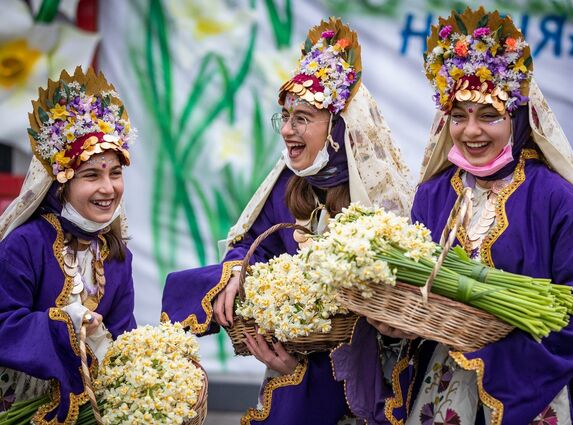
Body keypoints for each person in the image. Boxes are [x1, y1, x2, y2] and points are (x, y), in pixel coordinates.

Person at [369, 7, 573, 425]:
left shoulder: (556, 199)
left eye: (489, 115)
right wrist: (398, 327)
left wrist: (504, 357)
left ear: (518, 117)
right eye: (458, 116)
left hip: (530, 390)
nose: (471, 132)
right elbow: (415, 295)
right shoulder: (432, 196)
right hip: (441, 387)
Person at [162, 18, 416, 424]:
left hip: (371, 382)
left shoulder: (376, 192)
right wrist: (234, 269)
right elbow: (251, 243)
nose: (286, 131)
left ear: (338, 128)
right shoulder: (288, 183)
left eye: (301, 118)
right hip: (293, 366)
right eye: (283, 117)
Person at [0, 67, 138, 424]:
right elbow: (3, 325)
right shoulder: (25, 244)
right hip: (18, 408)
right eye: (91, 175)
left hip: (94, 408)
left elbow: (122, 337)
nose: (108, 188)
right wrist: (66, 323)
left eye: (115, 173)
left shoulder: (116, 254)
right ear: (60, 185)